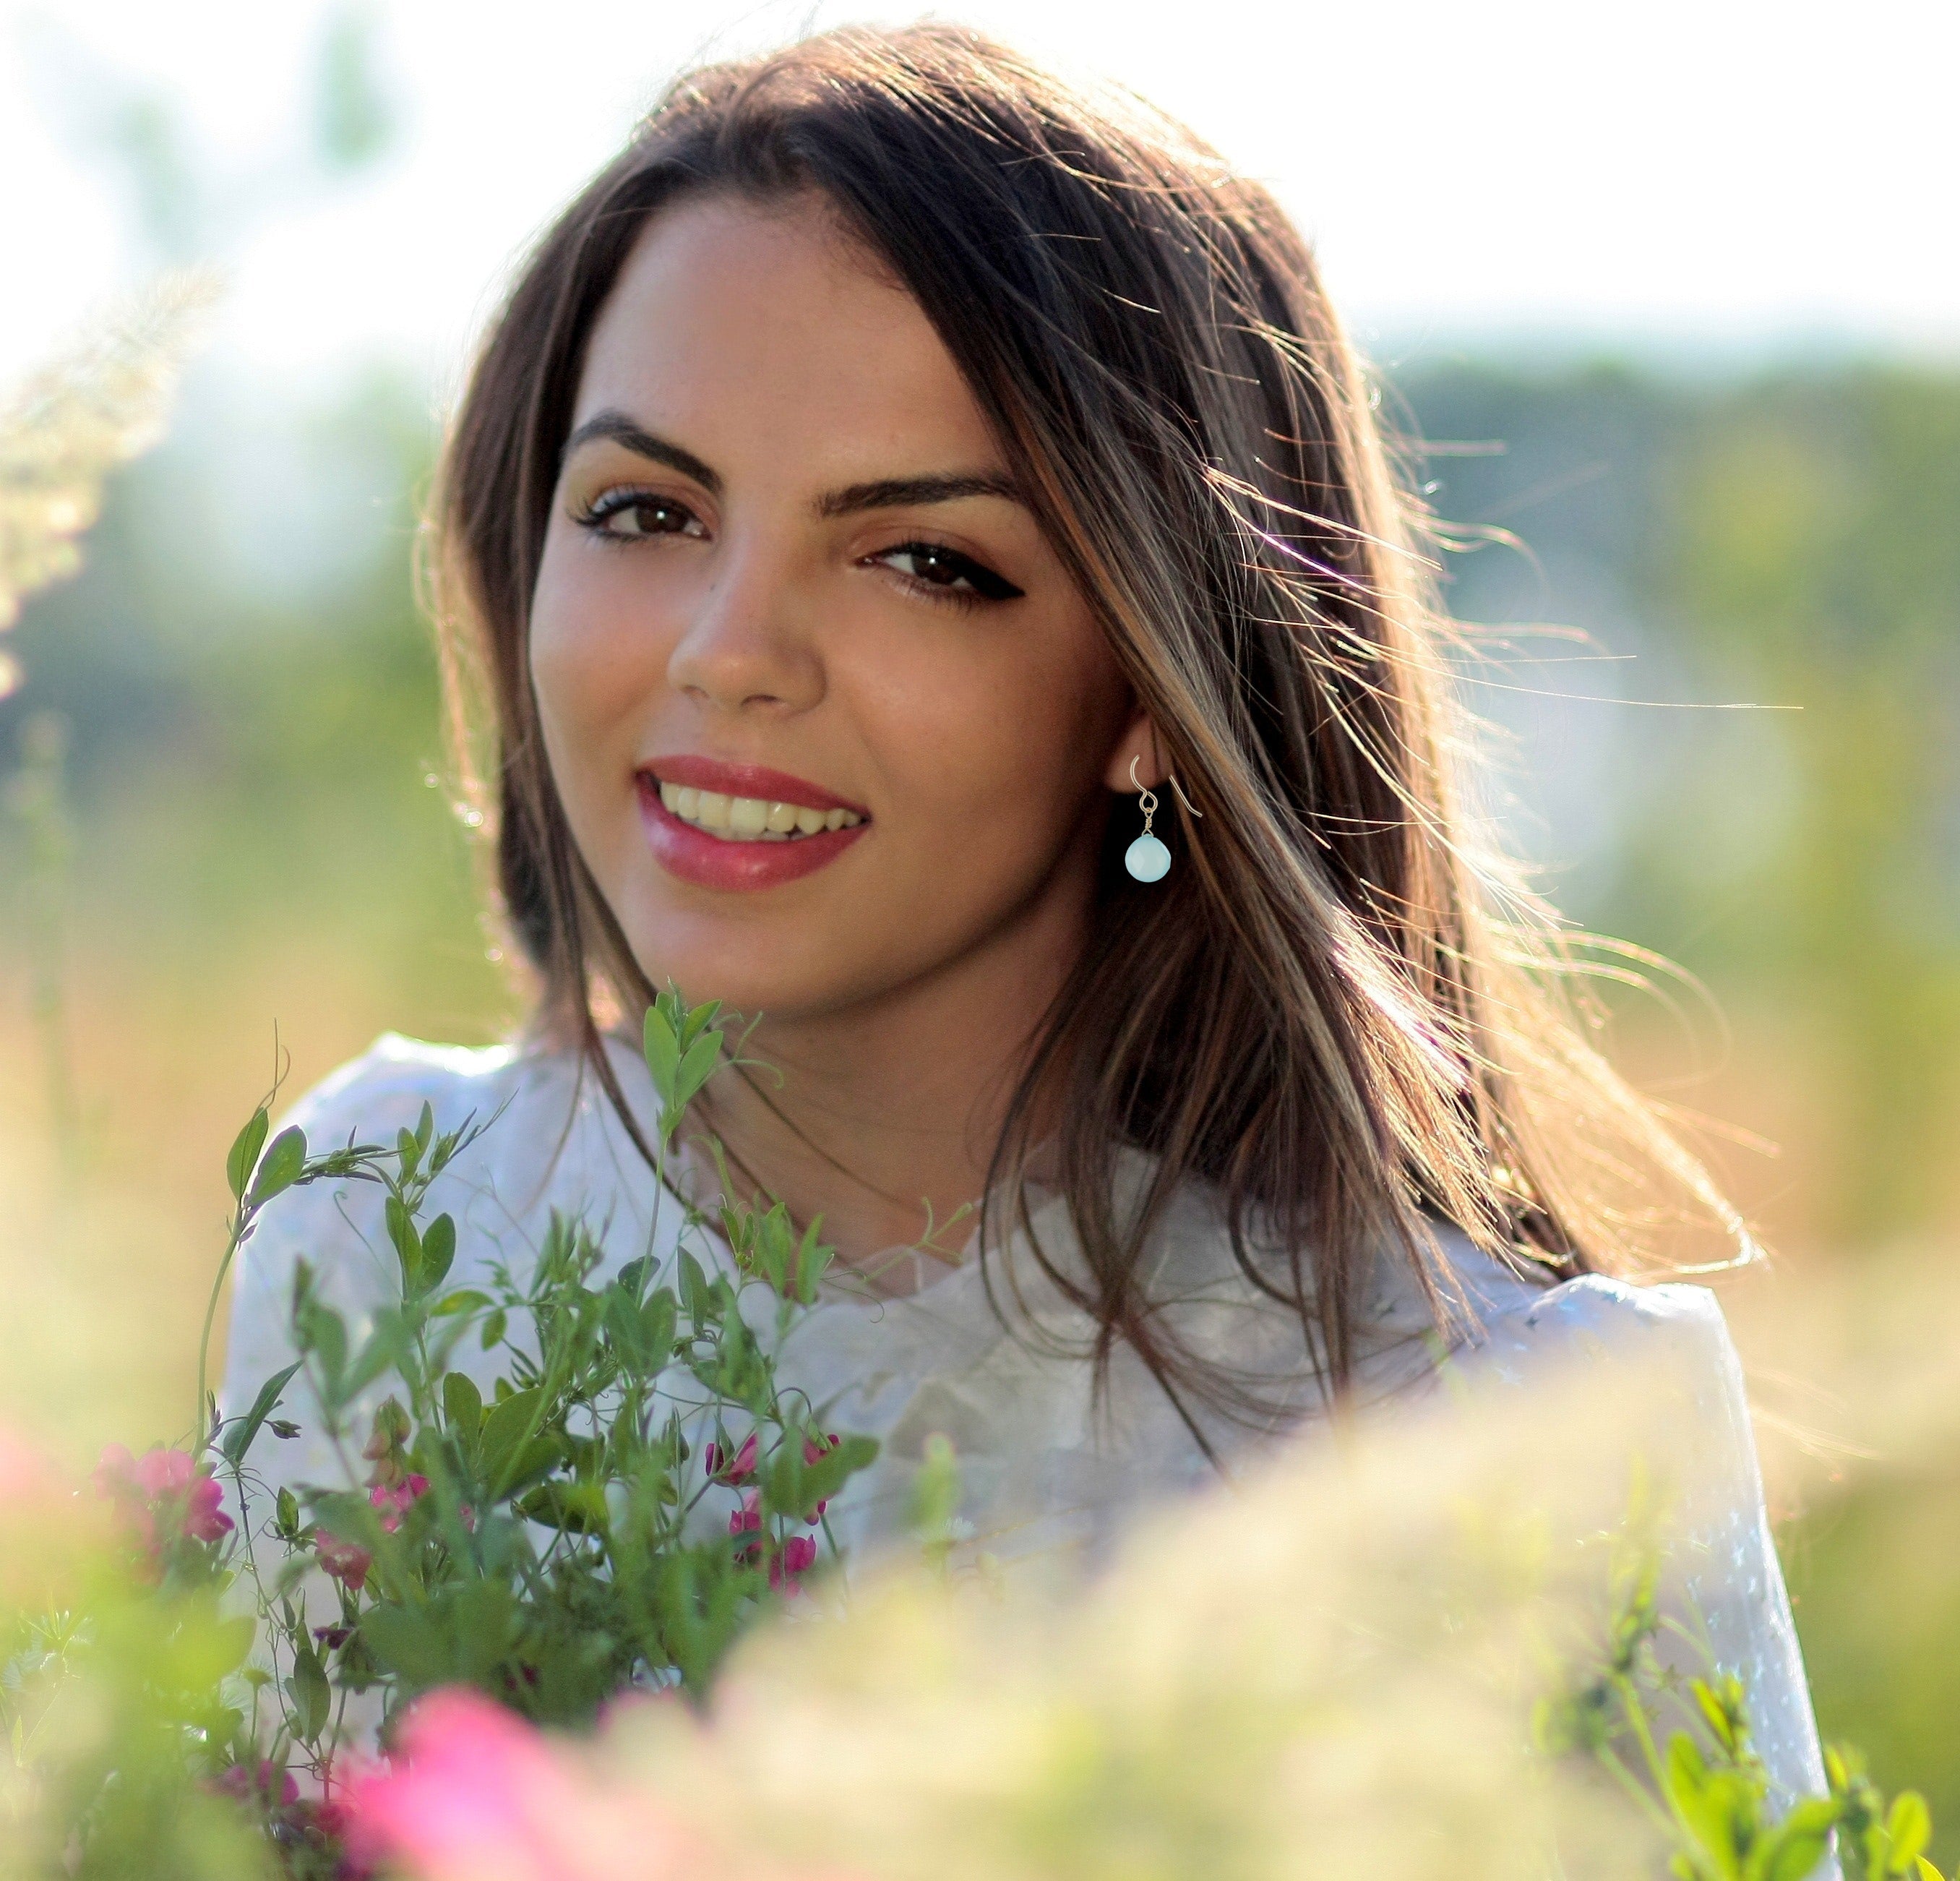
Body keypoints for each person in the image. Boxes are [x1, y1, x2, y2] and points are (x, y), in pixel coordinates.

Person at [222, 22, 1824, 1800]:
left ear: (1151, 682)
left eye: (926, 558)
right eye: (646, 508)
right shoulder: (388, 1234)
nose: (728, 652)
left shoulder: (1528, 1433)